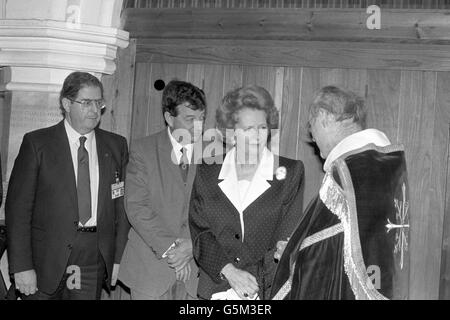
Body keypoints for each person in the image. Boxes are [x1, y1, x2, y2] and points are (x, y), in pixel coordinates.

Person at [271, 86, 410, 300]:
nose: (313, 138)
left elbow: (319, 250)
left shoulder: (346, 172)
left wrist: (291, 252)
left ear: (324, 116)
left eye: (312, 126)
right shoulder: (385, 163)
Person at [5, 71, 130, 300]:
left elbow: (120, 207)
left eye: (99, 103)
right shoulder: (37, 143)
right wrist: (21, 266)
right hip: (45, 258)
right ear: (66, 103)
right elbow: (18, 209)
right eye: (86, 103)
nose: (94, 110)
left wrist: (118, 258)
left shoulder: (115, 146)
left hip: (93, 257)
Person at [189, 85, 304, 300]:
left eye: (262, 127)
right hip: (215, 287)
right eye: (248, 129)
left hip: (265, 290)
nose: (257, 135)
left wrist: (252, 282)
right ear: (231, 133)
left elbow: (286, 237)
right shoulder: (208, 171)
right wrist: (230, 272)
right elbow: (200, 232)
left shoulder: (289, 172)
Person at [119, 80, 206, 300]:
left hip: (197, 274)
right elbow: (136, 207)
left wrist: (190, 247)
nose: (198, 126)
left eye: (201, 119)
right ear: (169, 118)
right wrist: (172, 248)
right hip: (150, 270)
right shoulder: (143, 150)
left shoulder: (215, 154)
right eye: (190, 119)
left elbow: (217, 210)